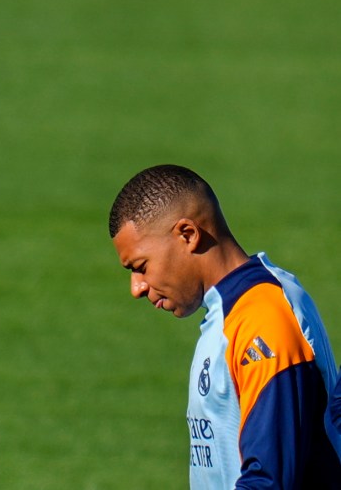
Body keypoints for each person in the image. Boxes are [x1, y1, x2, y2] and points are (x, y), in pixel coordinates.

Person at [108, 164, 341, 488]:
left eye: (141, 267)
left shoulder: (264, 319)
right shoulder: (231, 314)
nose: (137, 287)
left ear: (187, 234)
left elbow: (269, 481)